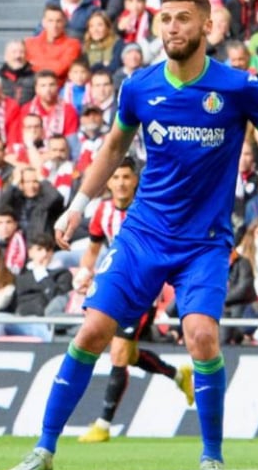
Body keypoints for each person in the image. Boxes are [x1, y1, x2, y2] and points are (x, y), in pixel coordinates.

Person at [4, 0, 258, 470]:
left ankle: (211, 459)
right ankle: (44, 450)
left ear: (207, 27)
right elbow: (114, 146)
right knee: (92, 332)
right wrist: (78, 206)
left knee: (202, 337)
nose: (172, 28)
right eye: (165, 19)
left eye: (184, 19)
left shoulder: (238, 88)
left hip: (203, 242)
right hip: (142, 234)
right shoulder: (139, 87)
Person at [74, 157, 194, 443]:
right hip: (114, 288)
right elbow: (92, 248)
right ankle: (178, 376)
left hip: (144, 292)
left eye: (126, 177)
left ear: (136, 180)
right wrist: (83, 271)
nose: (121, 183)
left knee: (119, 352)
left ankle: (103, 424)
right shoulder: (102, 212)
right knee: (127, 353)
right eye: (115, 177)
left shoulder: (148, 209)